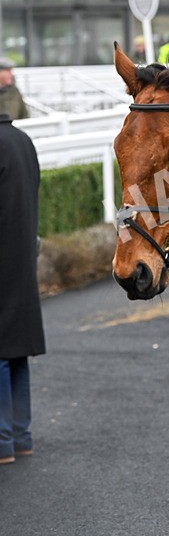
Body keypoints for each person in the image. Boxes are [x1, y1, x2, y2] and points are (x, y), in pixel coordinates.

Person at [0, 112, 45, 465]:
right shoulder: (23, 141)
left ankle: (2, 441)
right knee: (16, 351)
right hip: (23, 255)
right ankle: (21, 435)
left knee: (1, 352)